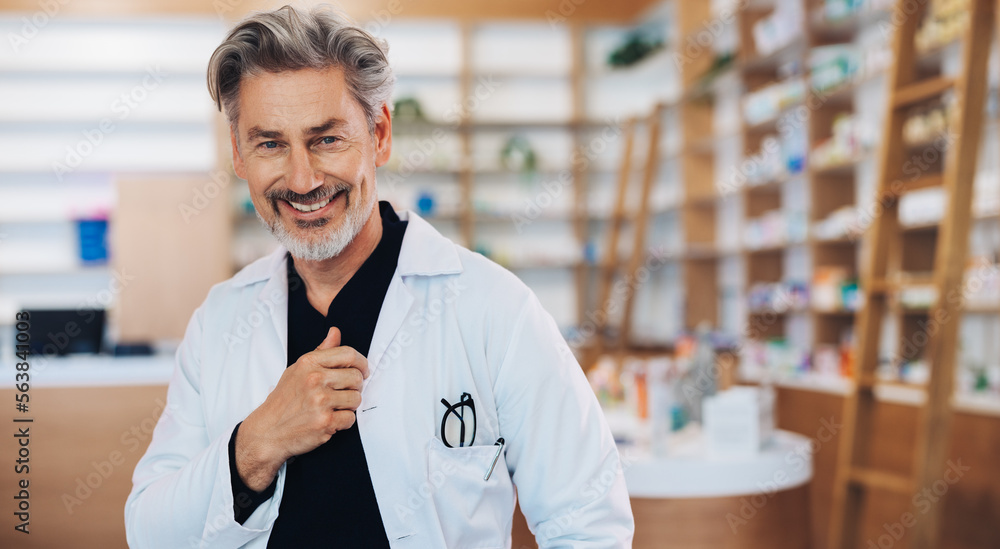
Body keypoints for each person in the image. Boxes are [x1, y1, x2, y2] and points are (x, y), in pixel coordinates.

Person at [124, 5, 633, 548]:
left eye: (326, 139)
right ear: (239, 154)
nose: (302, 178)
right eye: (270, 143)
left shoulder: (494, 310)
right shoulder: (219, 321)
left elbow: (588, 526)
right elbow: (151, 533)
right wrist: (257, 442)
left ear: (380, 135)